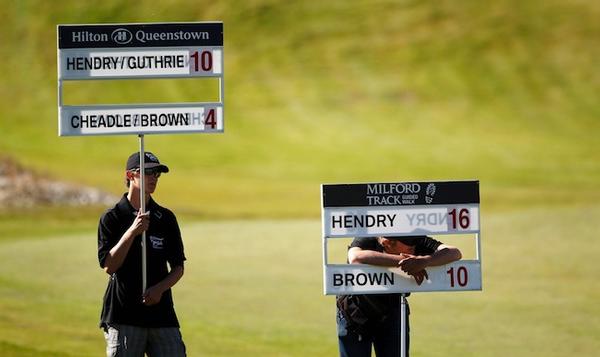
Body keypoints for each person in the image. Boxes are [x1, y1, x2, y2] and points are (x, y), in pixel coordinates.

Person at [97, 151, 187, 356]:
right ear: (130, 176)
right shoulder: (112, 218)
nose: (154, 178)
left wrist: (159, 289)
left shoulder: (165, 217)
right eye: (148, 172)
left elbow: (178, 267)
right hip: (123, 315)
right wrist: (132, 232)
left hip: (162, 315)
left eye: (157, 173)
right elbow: (109, 266)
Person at [336, 235, 462, 357]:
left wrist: (424, 261)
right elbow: (355, 257)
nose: (413, 248)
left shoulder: (415, 239)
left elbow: (454, 252)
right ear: (388, 243)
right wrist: (407, 263)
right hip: (355, 311)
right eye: (408, 246)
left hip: (393, 310)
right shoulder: (368, 236)